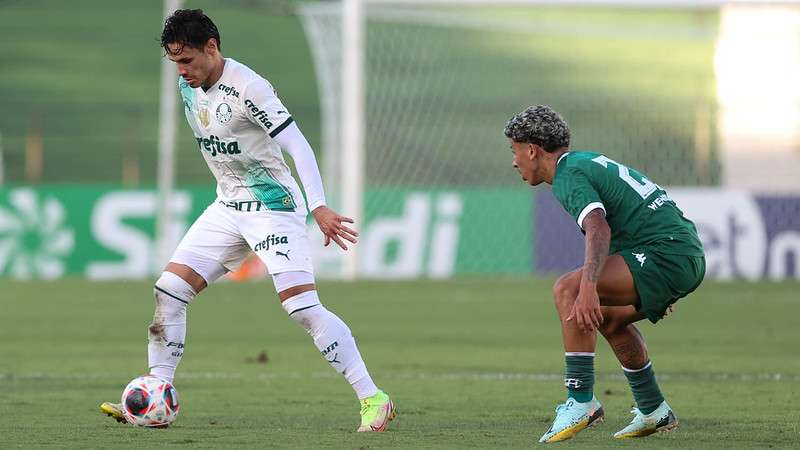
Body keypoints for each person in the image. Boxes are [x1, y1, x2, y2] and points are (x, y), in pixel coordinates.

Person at [100, 9, 395, 432]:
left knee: (301, 307)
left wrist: (319, 205)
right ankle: (156, 394)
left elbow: (298, 144)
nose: (182, 72)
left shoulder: (249, 89)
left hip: (273, 208)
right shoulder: (191, 86)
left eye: (187, 61)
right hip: (227, 208)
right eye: (175, 63)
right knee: (169, 291)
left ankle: (373, 398)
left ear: (213, 48)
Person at [503, 105, 705, 443]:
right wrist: (653, 285)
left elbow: (599, 228)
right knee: (608, 319)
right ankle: (653, 408)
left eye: (514, 151)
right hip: (678, 252)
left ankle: (581, 400)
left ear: (532, 150)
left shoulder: (567, 176)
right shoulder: (585, 162)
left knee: (568, 291)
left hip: (666, 253)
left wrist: (589, 286)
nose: (514, 161)